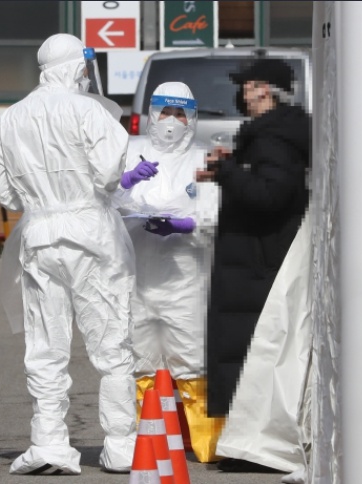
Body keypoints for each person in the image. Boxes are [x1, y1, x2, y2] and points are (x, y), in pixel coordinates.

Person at [0, 33, 145, 475]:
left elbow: (4, 194)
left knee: (45, 344)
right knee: (111, 340)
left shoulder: (9, 120)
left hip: (39, 235)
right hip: (92, 233)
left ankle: (49, 442)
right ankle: (120, 443)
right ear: (78, 67)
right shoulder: (89, 111)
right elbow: (109, 174)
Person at [199, 58, 311, 472]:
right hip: (256, 257)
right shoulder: (270, 133)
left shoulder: (274, 137)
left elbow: (269, 196)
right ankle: (249, 442)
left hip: (258, 260)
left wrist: (228, 171)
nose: (244, 93)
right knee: (254, 349)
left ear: (266, 90)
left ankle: (258, 447)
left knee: (255, 349)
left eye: (249, 85)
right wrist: (230, 167)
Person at [113, 82, 224, 463]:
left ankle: (208, 443)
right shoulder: (127, 153)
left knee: (191, 357)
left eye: (180, 113)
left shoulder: (202, 158)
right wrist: (126, 181)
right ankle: (150, 438)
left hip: (185, 278)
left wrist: (183, 225)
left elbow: (214, 213)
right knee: (140, 359)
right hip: (136, 276)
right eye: (165, 112)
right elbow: (102, 202)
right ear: (151, 114)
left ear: (192, 118)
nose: (172, 121)